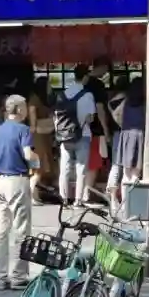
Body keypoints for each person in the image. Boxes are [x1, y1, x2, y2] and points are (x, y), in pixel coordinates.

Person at [0, 94, 37, 290]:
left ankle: (0, 277)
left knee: (1, 231)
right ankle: (18, 276)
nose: (26, 111)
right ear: (18, 109)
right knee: (21, 230)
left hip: (0, 182)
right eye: (24, 107)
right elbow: (28, 154)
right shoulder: (23, 130)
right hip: (18, 180)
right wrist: (38, 161)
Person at [58, 64, 97, 207]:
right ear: (85, 77)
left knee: (65, 169)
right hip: (83, 135)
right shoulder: (87, 95)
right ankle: (78, 200)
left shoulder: (63, 94)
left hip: (64, 135)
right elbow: (90, 118)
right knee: (81, 169)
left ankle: (63, 199)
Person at [108, 76, 144, 207]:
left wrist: (123, 125)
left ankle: (124, 205)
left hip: (126, 135)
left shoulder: (126, 101)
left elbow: (116, 114)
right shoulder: (146, 103)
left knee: (126, 173)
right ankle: (132, 205)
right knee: (136, 173)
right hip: (140, 135)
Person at [83, 57, 112, 197]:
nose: (106, 72)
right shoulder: (97, 85)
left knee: (82, 163)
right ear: (102, 67)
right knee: (94, 163)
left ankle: (81, 193)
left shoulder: (81, 82)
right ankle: (86, 194)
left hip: (79, 129)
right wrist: (105, 130)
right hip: (95, 129)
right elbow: (100, 108)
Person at [28, 77, 56, 206]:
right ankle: (30, 195)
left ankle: (35, 195)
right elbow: (33, 122)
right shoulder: (34, 99)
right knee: (38, 168)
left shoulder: (41, 99)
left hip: (42, 137)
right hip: (38, 138)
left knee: (39, 168)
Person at [104, 76, 130, 209]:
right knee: (126, 166)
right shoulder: (129, 100)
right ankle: (121, 198)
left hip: (115, 134)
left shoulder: (111, 101)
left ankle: (112, 194)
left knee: (116, 165)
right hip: (127, 134)